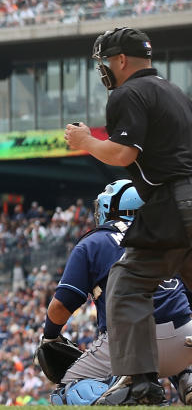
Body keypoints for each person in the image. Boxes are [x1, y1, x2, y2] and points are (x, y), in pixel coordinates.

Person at [64, 27, 192, 405]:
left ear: (121, 60)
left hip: (172, 201)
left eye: (106, 60)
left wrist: (86, 141)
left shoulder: (128, 93)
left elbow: (122, 154)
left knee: (127, 282)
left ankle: (142, 383)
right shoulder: (176, 92)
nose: (104, 68)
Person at [39, 180, 192, 404]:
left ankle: (132, 393)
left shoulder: (95, 241)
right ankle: (187, 378)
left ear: (110, 209)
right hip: (184, 342)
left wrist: (50, 336)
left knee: (64, 392)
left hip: (132, 342)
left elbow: (62, 305)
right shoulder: (169, 240)